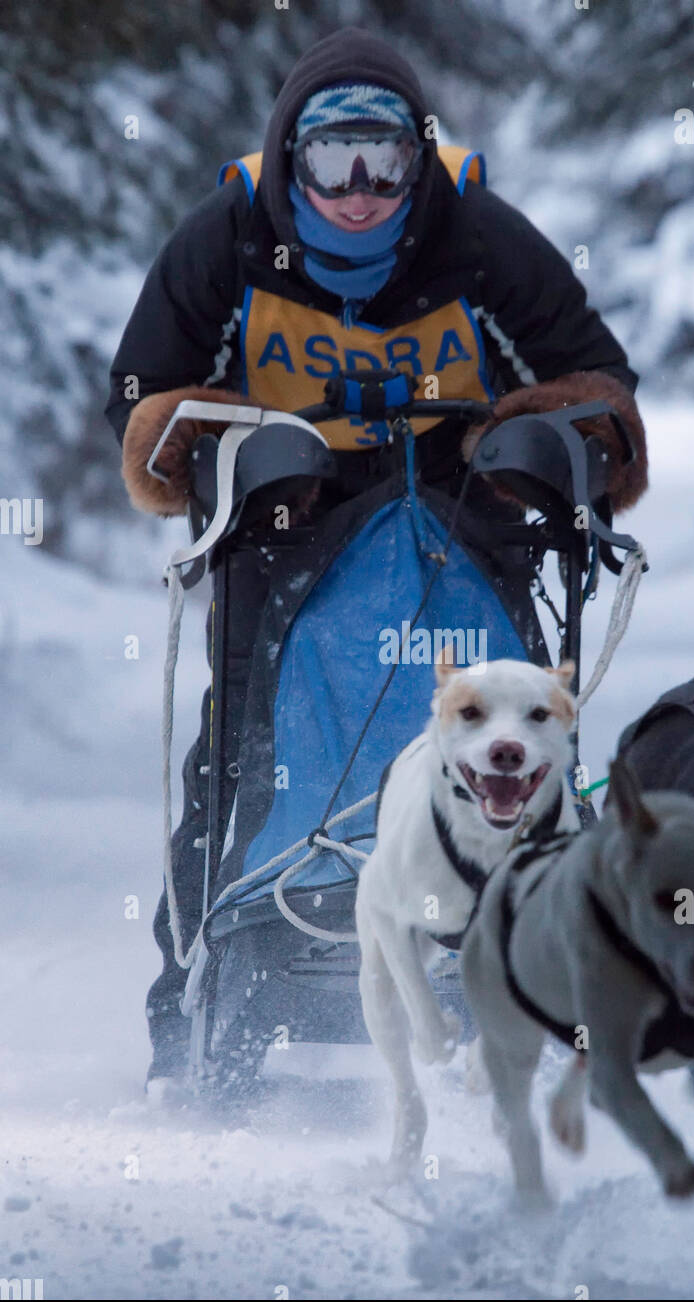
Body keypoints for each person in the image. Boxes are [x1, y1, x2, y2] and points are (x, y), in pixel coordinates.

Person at [106, 26, 648, 1091]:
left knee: (492, 709)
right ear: (289, 158)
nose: (358, 191)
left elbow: (597, 384)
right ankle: (197, 991)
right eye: (331, 160)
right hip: (285, 510)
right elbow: (140, 403)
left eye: (384, 160)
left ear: (418, 160)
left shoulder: (476, 234)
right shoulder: (226, 237)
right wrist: (228, 442)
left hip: (456, 501)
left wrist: (531, 445)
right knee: (236, 742)